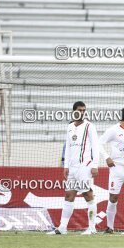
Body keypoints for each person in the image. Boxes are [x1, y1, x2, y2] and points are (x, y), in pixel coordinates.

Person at [48, 101, 99, 235]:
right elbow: (68, 148)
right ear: (74, 111)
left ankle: (92, 228)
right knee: (69, 195)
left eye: (84, 110)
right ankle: (62, 227)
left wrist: (95, 165)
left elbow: (95, 146)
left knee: (88, 195)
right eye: (79, 110)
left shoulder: (90, 126)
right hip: (72, 168)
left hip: (85, 167)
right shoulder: (70, 127)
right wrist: (66, 166)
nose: (82, 112)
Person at [99, 106, 124, 234]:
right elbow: (98, 143)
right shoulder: (113, 130)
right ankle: (110, 227)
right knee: (113, 198)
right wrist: (107, 157)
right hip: (116, 169)